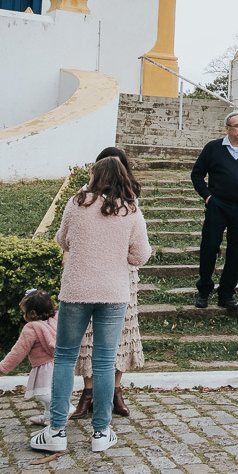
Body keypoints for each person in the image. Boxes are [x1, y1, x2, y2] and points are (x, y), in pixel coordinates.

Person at [30, 157, 152, 455]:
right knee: (104, 361)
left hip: (76, 291)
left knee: (64, 358)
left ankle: (56, 430)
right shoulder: (131, 210)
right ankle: (101, 431)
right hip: (113, 293)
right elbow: (140, 257)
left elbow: (63, 240)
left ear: (95, 176)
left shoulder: (77, 203)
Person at [68, 147, 145, 420]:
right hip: (88, 274)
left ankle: (115, 390)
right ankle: (87, 393)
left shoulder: (131, 200)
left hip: (122, 275)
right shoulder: (81, 198)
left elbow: (137, 246)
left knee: (122, 333)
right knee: (87, 336)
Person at [191, 112, 238, 310]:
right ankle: (204, 291)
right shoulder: (213, 148)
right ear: (227, 129)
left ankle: (226, 294)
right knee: (210, 247)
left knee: (236, 251)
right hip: (217, 205)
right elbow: (197, 174)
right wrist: (207, 196)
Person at [0, 289, 58, 426]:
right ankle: (49, 417)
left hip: (44, 367)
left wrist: (4, 367)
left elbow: (18, 351)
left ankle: (63, 408)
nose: (23, 316)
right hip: (59, 363)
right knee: (50, 390)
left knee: (42, 393)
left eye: (24, 312)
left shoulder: (31, 328)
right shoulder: (55, 321)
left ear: (32, 313)